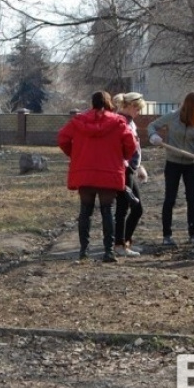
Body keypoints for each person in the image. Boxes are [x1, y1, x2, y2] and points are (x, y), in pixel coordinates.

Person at [58, 91, 136, 263]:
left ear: (92, 103)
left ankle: (83, 250)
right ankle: (108, 251)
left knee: (85, 211)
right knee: (107, 211)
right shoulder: (118, 122)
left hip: (84, 171)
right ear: (109, 103)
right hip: (109, 172)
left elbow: (62, 139)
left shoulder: (78, 121)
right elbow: (131, 144)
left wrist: (75, 154)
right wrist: (121, 156)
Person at [147, 91, 194, 246]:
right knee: (170, 199)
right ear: (191, 106)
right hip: (173, 163)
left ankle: (193, 235)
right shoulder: (173, 116)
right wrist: (153, 137)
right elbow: (152, 126)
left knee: (192, 199)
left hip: (191, 164)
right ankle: (167, 236)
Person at [114, 92, 147, 256]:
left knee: (134, 207)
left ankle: (124, 243)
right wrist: (129, 166)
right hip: (122, 170)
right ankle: (120, 245)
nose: (138, 112)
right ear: (129, 106)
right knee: (126, 207)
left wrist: (139, 166)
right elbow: (120, 148)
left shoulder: (130, 122)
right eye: (137, 108)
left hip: (129, 169)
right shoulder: (121, 122)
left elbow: (136, 148)